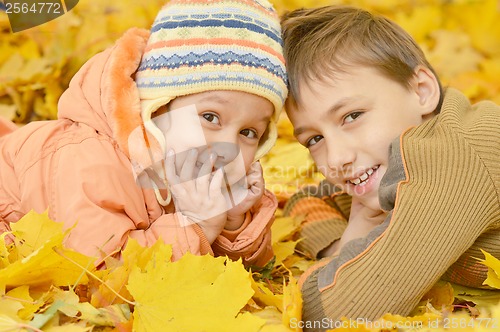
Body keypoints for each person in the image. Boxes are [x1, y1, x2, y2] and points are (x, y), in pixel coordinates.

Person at [0, 0, 287, 269]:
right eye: (210, 117)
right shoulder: (92, 162)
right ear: (156, 108)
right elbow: (98, 269)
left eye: (249, 132)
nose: (228, 146)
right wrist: (197, 227)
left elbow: (251, 269)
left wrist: (232, 221)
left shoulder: (191, 163)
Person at [280, 5, 500, 328]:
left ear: (421, 91)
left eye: (352, 116)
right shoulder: (390, 165)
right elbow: (306, 202)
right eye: (314, 139)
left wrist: (344, 255)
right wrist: (348, 239)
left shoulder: (452, 157)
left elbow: (339, 310)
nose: (336, 158)